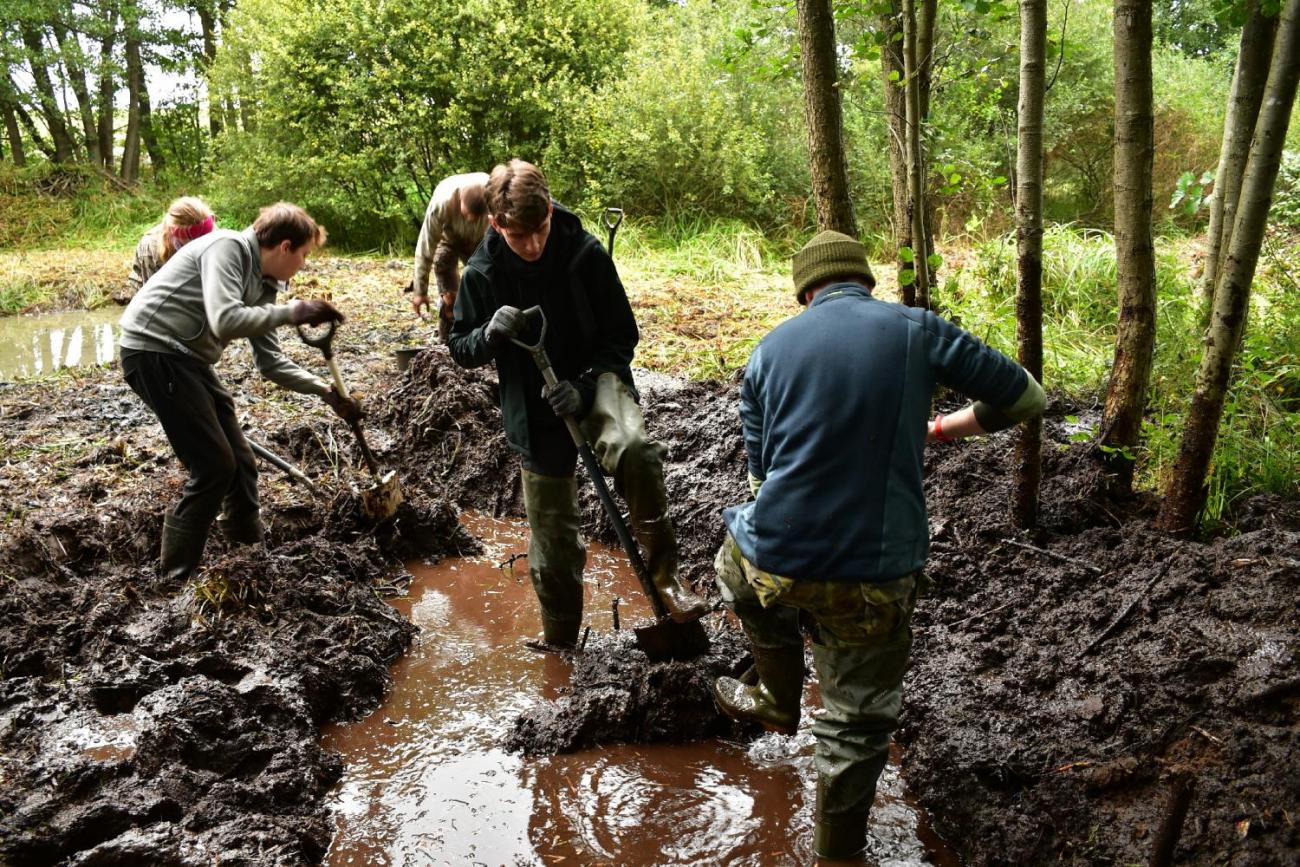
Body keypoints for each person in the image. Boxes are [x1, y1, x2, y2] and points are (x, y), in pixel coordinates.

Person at [710, 230, 1047, 861]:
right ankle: (836, 856)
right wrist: (943, 428)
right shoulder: (916, 328)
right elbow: (1026, 396)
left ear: (805, 293)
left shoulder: (767, 351)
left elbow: (758, 480)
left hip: (774, 556)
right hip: (872, 571)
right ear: (866, 283)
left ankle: (777, 697)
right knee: (854, 724)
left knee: (735, 571)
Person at [447, 159, 707, 651]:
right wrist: (488, 333)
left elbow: (621, 335)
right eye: (518, 237)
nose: (533, 245)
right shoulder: (482, 272)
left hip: (597, 378)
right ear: (495, 224)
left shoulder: (583, 252)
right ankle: (560, 639)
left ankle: (668, 583)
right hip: (531, 399)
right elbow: (460, 347)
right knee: (552, 535)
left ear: (549, 210)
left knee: (635, 451)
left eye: (540, 230)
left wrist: (586, 386)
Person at [118, 202, 360, 583]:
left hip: (188, 359)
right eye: (303, 255)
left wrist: (327, 393)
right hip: (152, 350)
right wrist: (293, 312)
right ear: (284, 247)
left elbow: (271, 363)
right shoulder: (226, 248)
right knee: (213, 465)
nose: (303, 265)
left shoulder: (263, 284)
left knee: (242, 464)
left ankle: (249, 558)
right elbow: (225, 318)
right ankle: (174, 576)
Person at [409, 171, 490, 342]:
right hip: (449, 238)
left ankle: (484, 336)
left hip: (481, 241)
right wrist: (420, 290)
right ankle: (448, 340)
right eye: (467, 216)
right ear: (459, 200)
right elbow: (426, 246)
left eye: (476, 219)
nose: (470, 222)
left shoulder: (495, 195)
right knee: (447, 283)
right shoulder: (442, 202)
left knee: (484, 285)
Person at [128, 196, 217, 295]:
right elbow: (154, 297)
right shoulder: (151, 246)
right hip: (150, 289)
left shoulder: (212, 233)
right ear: (178, 237)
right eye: (196, 240)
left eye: (205, 237)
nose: (203, 243)